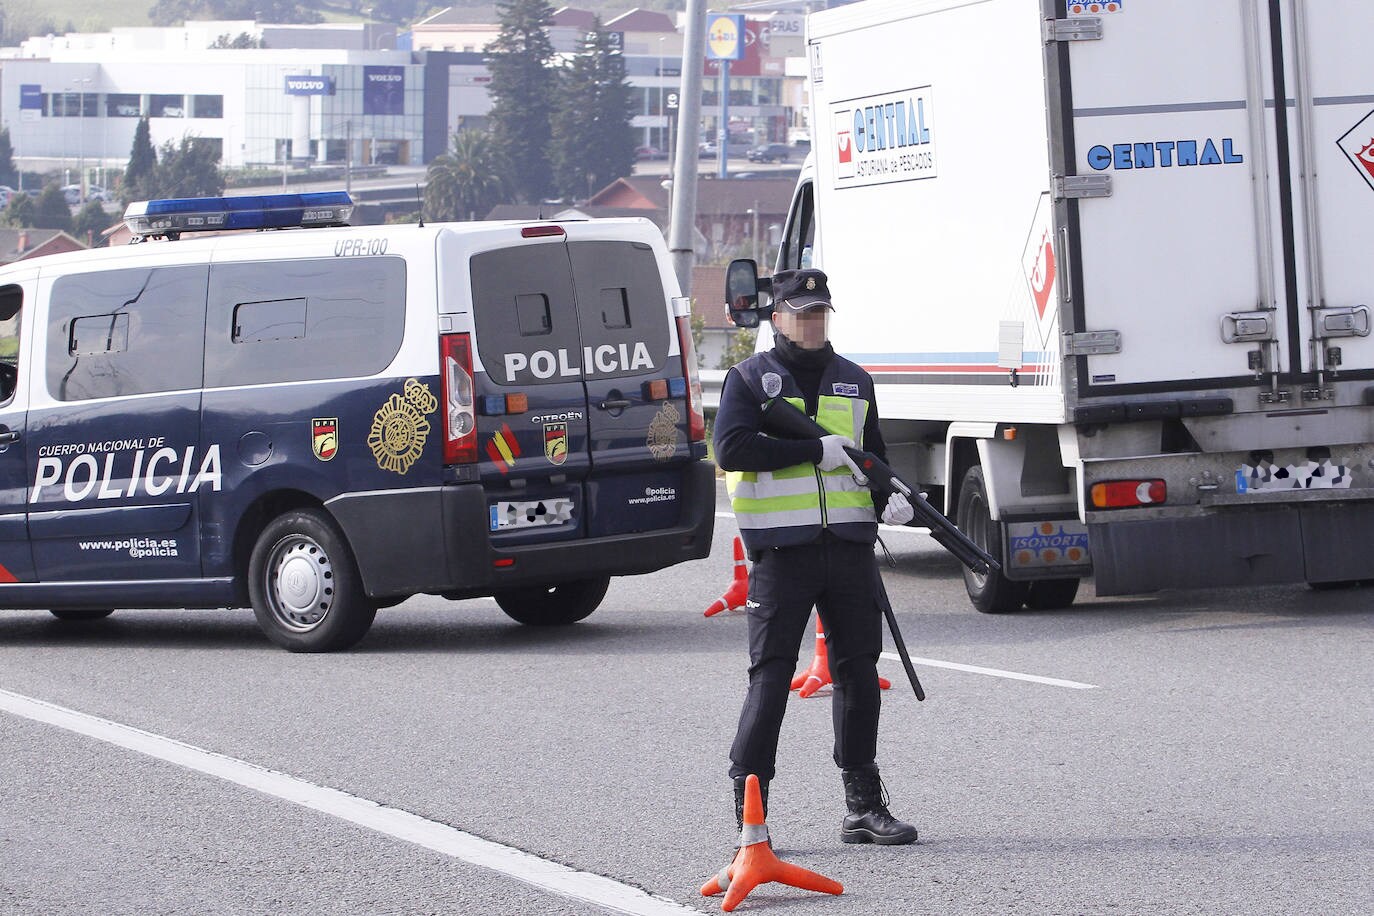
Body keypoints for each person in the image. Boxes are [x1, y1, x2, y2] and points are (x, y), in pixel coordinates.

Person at [714, 267, 919, 846]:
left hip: (850, 549)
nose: (811, 322)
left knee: (857, 672)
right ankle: (751, 817)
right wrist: (814, 451)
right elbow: (731, 448)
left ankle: (863, 805)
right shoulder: (749, 379)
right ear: (777, 317)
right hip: (783, 553)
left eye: (819, 313)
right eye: (800, 313)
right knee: (771, 678)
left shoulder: (855, 380)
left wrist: (889, 499)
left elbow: (872, 453)